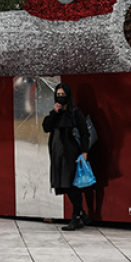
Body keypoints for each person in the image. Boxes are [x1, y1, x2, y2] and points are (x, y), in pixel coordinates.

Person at [42, 82, 93, 231]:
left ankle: (76, 217)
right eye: (58, 95)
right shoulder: (56, 113)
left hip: (72, 155)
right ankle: (81, 214)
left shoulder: (75, 113)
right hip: (58, 155)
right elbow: (46, 127)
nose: (60, 97)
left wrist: (84, 152)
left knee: (73, 186)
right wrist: (54, 112)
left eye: (63, 95)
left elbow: (85, 133)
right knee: (65, 185)